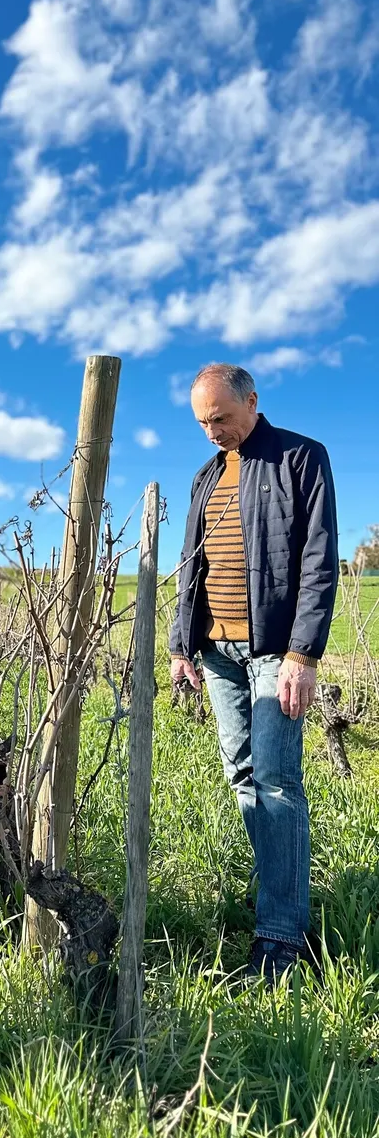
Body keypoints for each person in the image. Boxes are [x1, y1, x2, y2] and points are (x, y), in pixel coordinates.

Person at [170, 363, 338, 985]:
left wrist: (303, 653)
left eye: (220, 417)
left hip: (274, 650)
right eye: (202, 422)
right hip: (217, 652)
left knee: (275, 782)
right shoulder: (205, 476)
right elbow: (193, 565)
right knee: (243, 780)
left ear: (251, 402)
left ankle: (283, 940)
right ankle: (278, 902)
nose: (212, 431)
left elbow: (319, 559)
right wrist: (180, 644)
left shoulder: (300, 458)